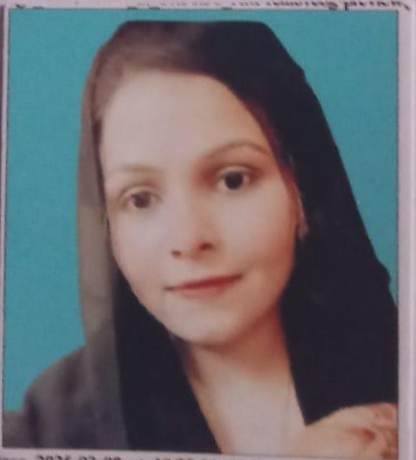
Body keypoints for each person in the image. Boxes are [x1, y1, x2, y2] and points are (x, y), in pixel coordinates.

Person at [4, 21, 398, 458]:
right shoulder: (45, 431)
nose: (188, 239)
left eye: (232, 180)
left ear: (301, 189)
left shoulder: (399, 371)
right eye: (140, 199)